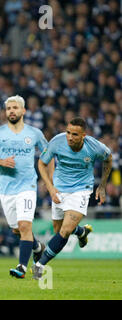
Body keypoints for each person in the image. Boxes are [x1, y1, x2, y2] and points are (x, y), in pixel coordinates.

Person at [0, 95, 53, 279]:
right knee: (17, 229)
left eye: (15, 108)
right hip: (6, 189)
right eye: (8, 108)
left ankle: (21, 266)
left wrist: (49, 182)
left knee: (24, 225)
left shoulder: (34, 133)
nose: (11, 111)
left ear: (23, 111)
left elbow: (48, 156)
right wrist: (1, 162)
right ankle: (37, 247)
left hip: (27, 186)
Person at [32, 117, 112, 279]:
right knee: (59, 230)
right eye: (68, 132)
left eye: (74, 134)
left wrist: (102, 185)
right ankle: (81, 232)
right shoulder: (57, 142)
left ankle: (39, 265)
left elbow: (108, 159)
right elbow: (42, 163)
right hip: (59, 190)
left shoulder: (94, 147)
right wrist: (50, 188)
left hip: (81, 191)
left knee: (65, 230)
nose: (69, 137)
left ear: (83, 135)